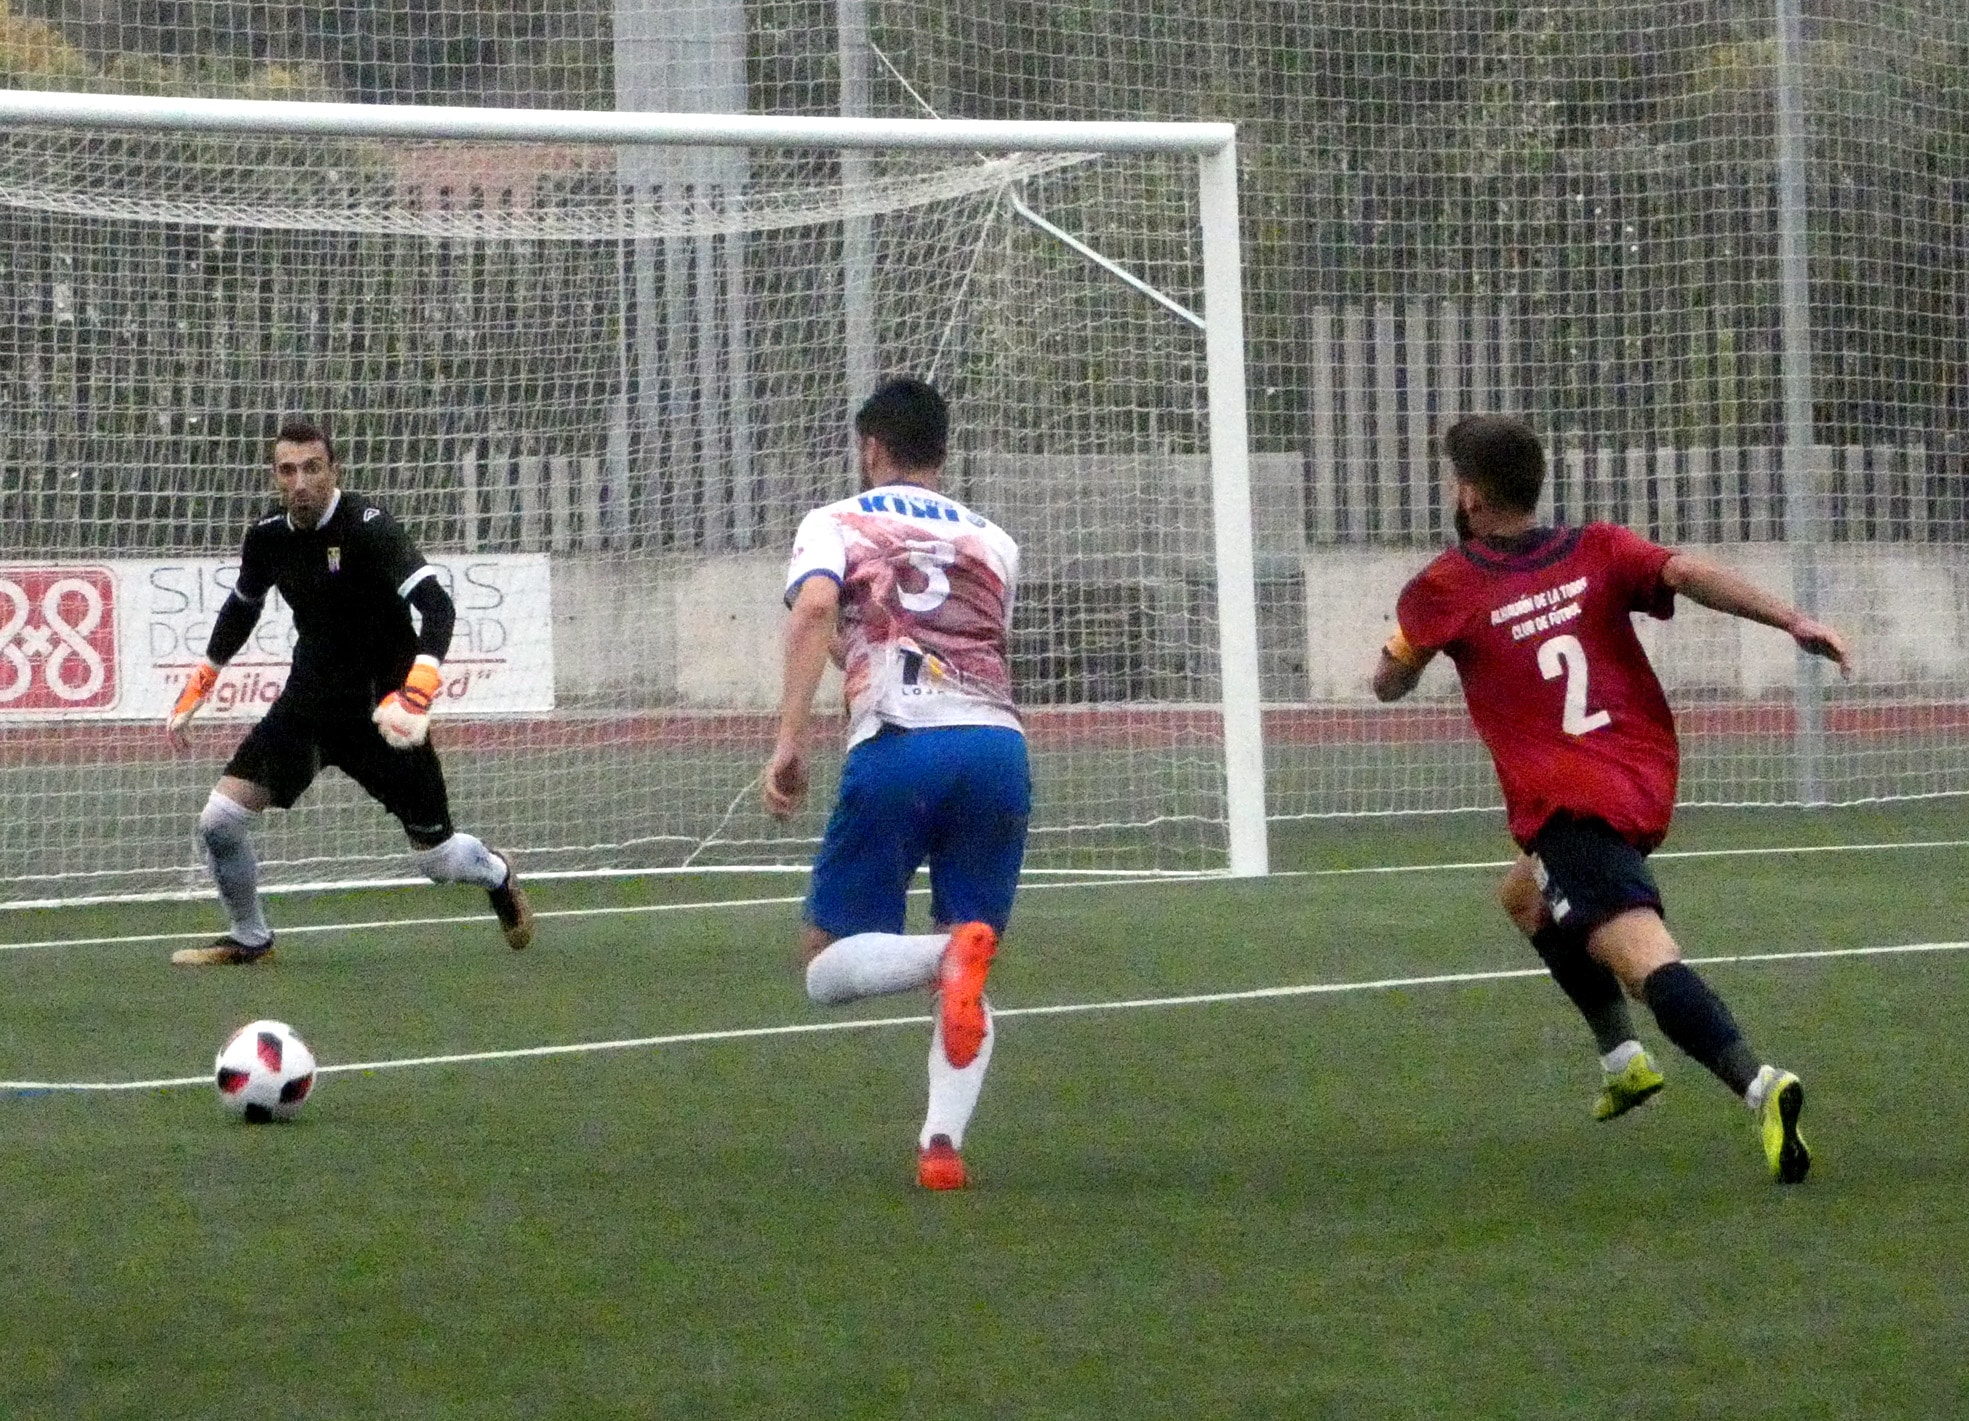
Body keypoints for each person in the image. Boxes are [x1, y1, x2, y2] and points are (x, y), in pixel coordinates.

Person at [1372, 414, 1850, 1183]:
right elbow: (1688, 573)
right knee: (1524, 895)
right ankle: (1622, 1059)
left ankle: (1759, 1086)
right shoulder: (1597, 547)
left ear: (1467, 492)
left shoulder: (1445, 586)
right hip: (1638, 777)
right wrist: (1791, 618)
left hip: (1569, 802)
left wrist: (1404, 646)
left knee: (1641, 957)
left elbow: (1388, 684)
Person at [763, 377, 1028, 1191]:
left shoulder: (839, 521)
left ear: (871, 449)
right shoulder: (996, 541)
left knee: (823, 962)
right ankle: (941, 1146)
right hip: (997, 750)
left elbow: (814, 612)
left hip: (902, 746)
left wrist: (787, 740)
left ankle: (948, 955)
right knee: (966, 956)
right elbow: (938, 641)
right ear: (942, 451)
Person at [165, 419, 533, 964]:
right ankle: (250, 938)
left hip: (384, 715)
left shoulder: (370, 528)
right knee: (220, 820)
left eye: (312, 468)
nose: (300, 483)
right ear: (274, 477)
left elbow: (438, 607)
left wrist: (416, 692)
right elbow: (242, 605)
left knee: (439, 861)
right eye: (287, 470)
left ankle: (497, 874)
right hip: (309, 707)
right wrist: (204, 677)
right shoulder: (267, 536)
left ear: (334, 471)